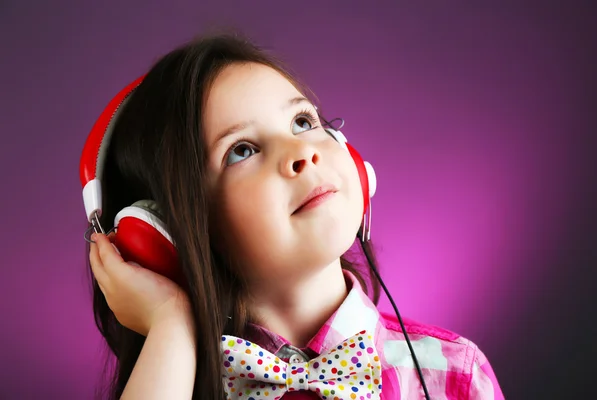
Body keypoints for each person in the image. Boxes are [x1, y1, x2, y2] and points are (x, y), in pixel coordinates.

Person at [83, 32, 504, 399]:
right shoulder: (171, 380)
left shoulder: (456, 374)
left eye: (303, 121)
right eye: (242, 150)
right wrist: (170, 327)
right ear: (167, 236)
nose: (301, 152)